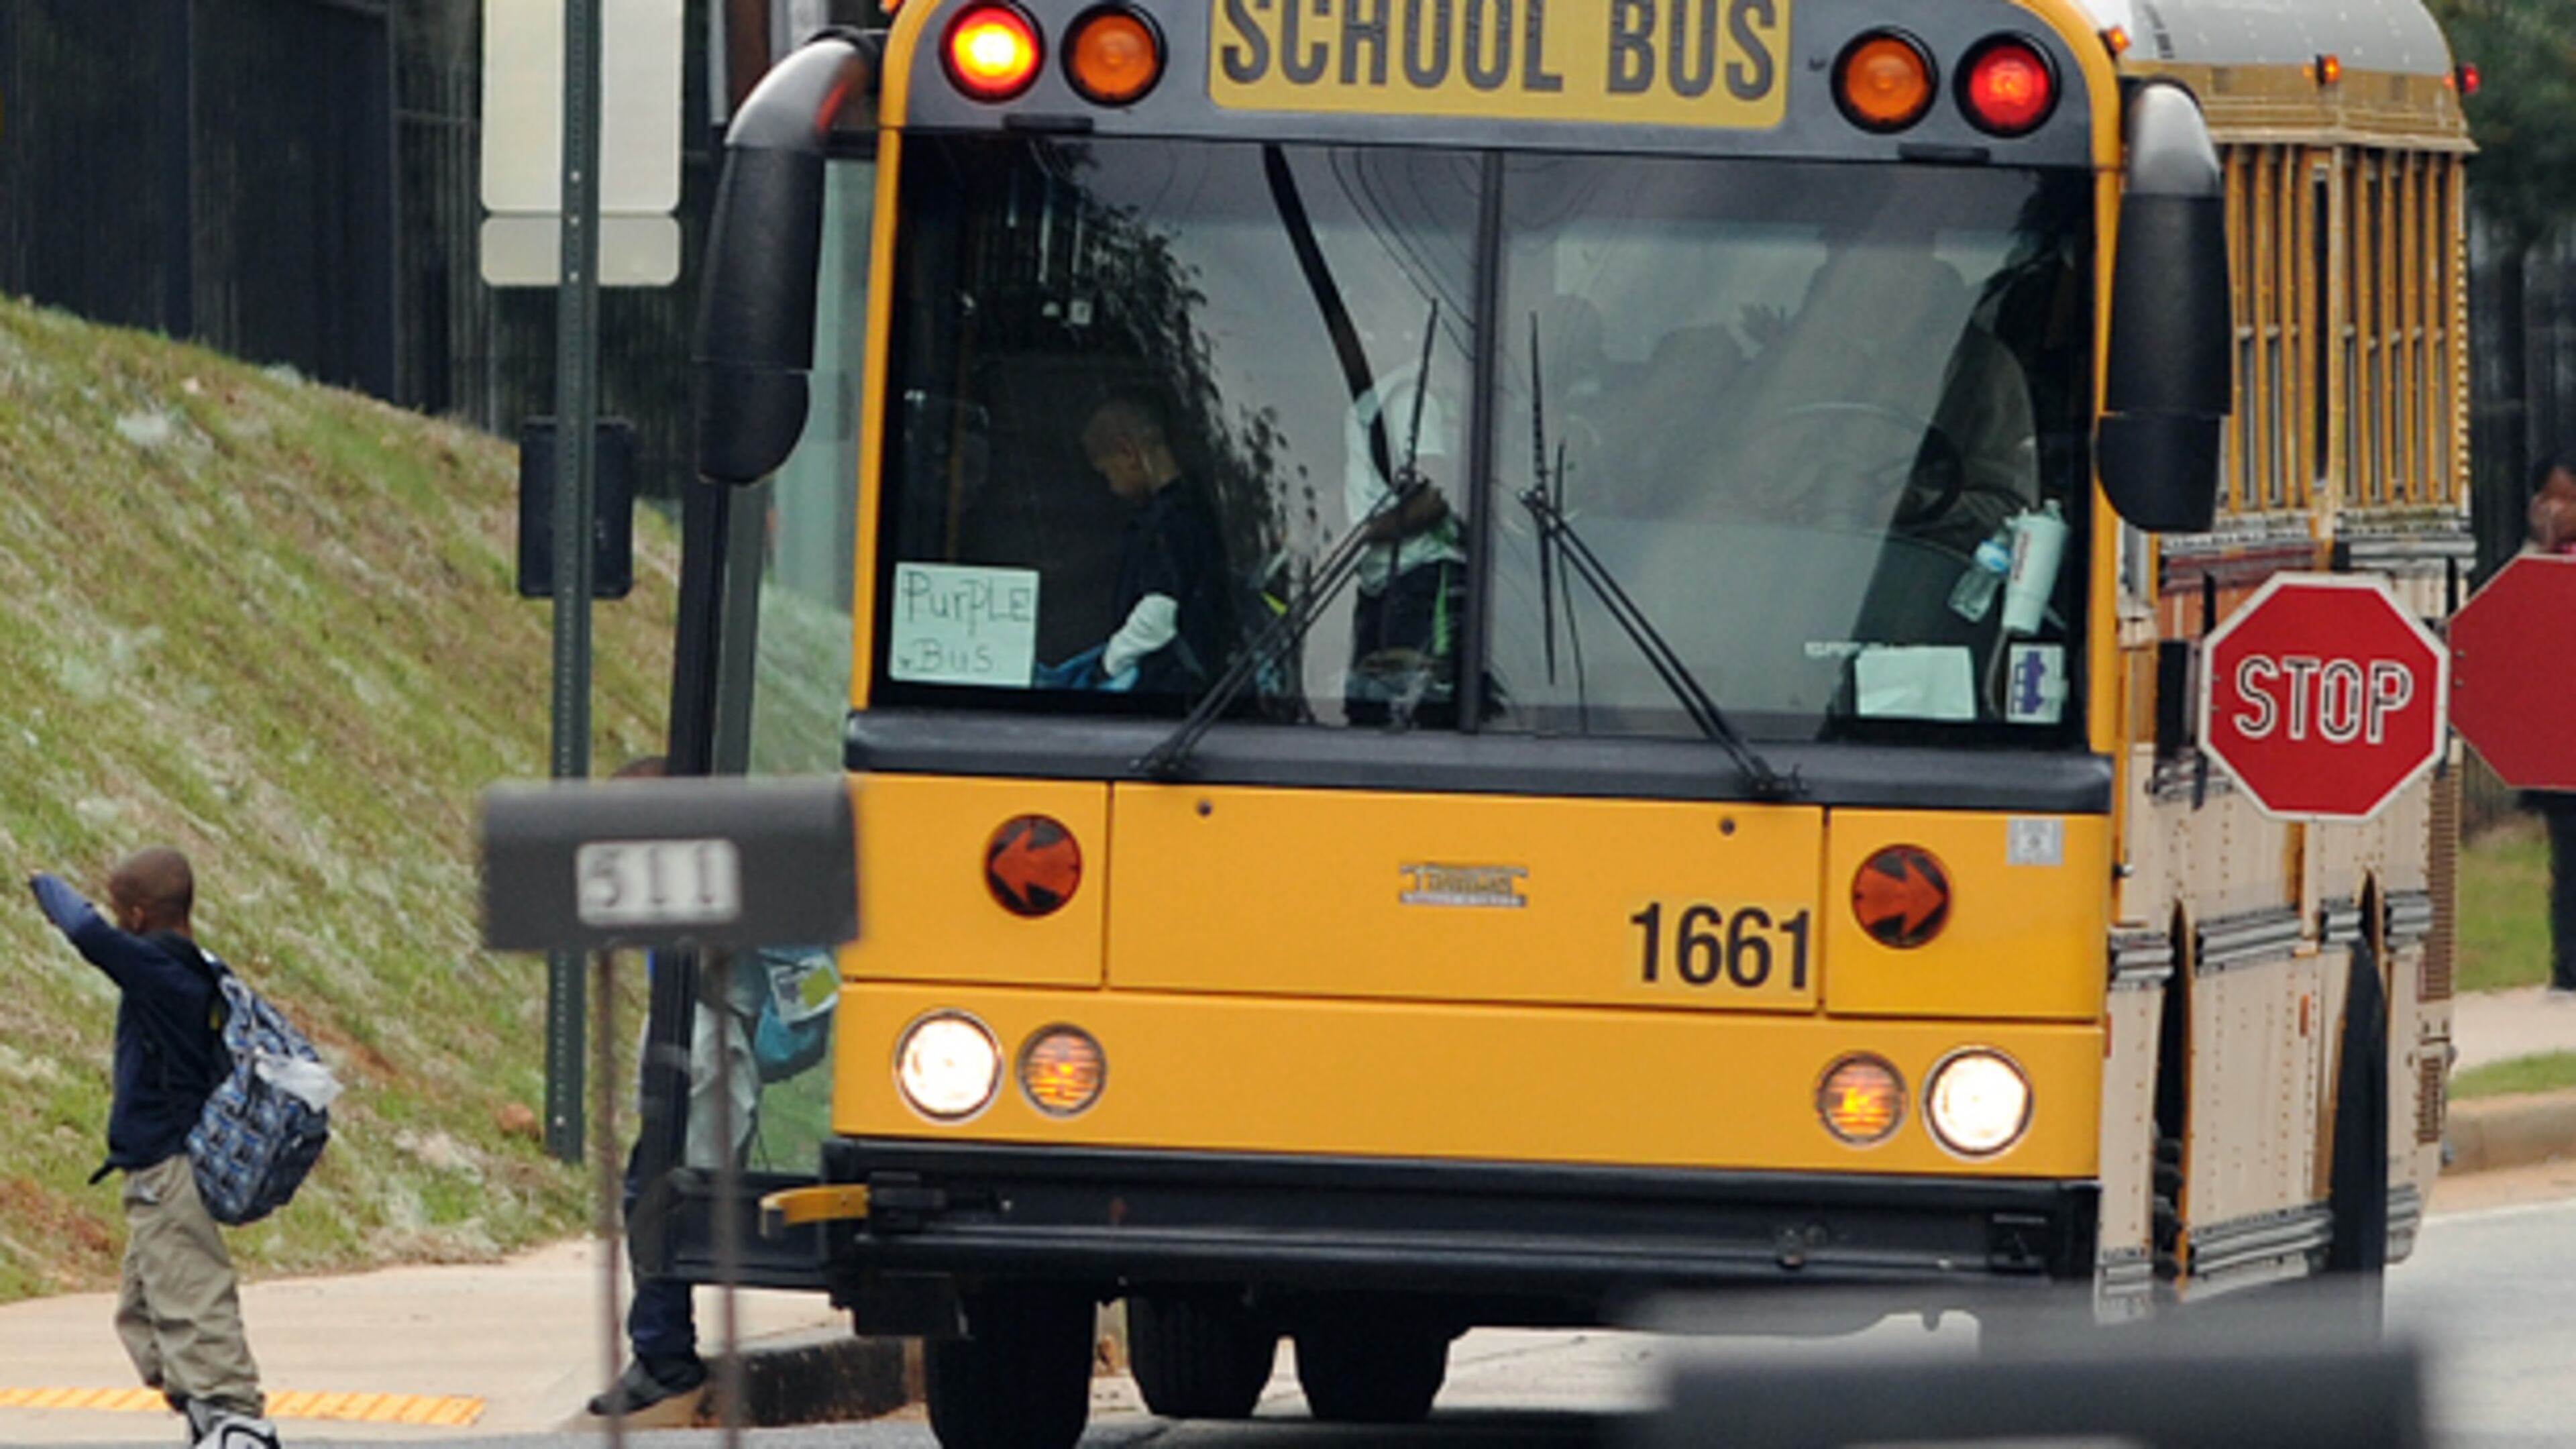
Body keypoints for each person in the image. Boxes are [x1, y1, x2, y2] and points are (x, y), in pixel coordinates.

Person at [590, 759, 838, 1417]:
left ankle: (664, 1356)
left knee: (671, 1199)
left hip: (712, 1053)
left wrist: (755, 1047)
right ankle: (660, 1350)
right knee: (658, 1195)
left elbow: (805, 986)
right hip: (692, 1045)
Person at [27, 848, 280, 1449]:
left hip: (169, 1169)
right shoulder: (186, 969)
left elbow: (85, 932)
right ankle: (204, 1409)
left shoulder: (164, 975)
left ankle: (235, 1418)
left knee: (193, 1296)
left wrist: (42, 882)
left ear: (138, 916)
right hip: (152, 1170)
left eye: (121, 914)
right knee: (142, 1313)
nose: (116, 924)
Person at [1036, 397, 1234, 697]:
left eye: (1107, 473)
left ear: (1128, 452)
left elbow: (1157, 616)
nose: (1111, 487)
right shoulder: (1197, 508)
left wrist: (1108, 667)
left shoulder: (1171, 522)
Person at [1344, 342, 1468, 724]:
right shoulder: (1377, 396)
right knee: (1368, 709)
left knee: (1416, 715)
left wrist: (1360, 536)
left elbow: (1434, 494)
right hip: (1381, 583)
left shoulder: (1408, 398)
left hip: (1420, 582)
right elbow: (1373, 480)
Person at [2524, 458, 2576, 996]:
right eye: (2548, 497)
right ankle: (2569, 964)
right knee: (2568, 862)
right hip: (2562, 750)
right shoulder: (2531, 569)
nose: (2557, 510)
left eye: (2569, 499)